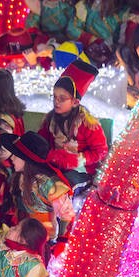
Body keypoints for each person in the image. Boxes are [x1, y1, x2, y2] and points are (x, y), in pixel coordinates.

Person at [37, 59, 108, 188]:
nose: (56, 102)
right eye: (54, 96)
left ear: (75, 102)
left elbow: (101, 151)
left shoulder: (88, 124)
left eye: (62, 98)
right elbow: (42, 140)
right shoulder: (50, 120)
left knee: (62, 185)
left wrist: (79, 159)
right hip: (56, 165)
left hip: (80, 171)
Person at [2, 131, 74, 246]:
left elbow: (67, 214)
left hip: (42, 241)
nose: (12, 159)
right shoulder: (18, 178)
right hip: (20, 237)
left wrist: (61, 243)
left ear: (27, 160)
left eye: (16, 155)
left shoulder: (49, 185)